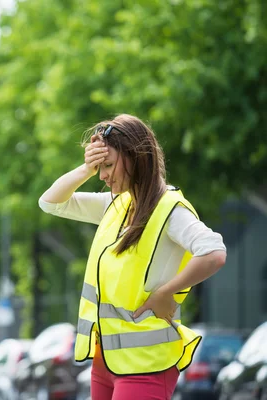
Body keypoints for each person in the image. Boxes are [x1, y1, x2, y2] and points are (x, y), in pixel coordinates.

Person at [39, 114, 226, 400]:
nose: (103, 176)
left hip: (147, 363)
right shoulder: (117, 204)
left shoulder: (170, 210)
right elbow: (50, 203)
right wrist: (86, 168)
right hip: (106, 361)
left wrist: (167, 292)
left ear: (136, 157)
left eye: (109, 166)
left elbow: (214, 253)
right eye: (100, 168)